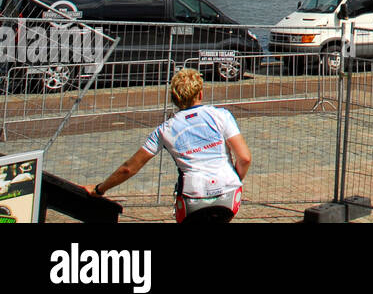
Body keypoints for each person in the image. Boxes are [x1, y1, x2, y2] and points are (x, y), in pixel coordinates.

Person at [87, 68, 251, 224]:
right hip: (229, 192)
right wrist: (234, 179)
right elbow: (244, 158)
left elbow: (128, 168)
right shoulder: (221, 115)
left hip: (193, 195)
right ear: (200, 93)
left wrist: (99, 189)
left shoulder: (164, 130)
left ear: (174, 98)